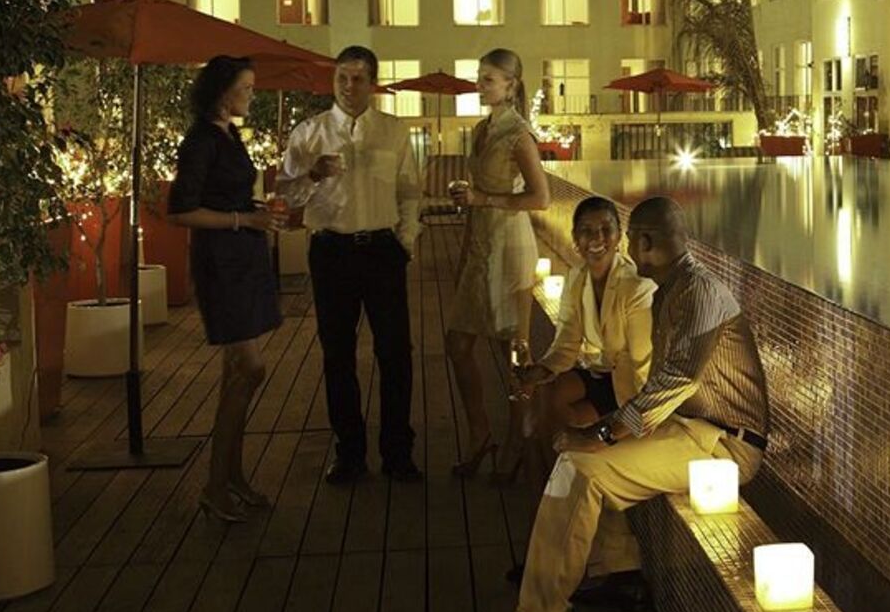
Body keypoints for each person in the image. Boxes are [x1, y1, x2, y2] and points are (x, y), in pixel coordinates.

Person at [477, 196, 771, 612]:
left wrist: (605, 431)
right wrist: (605, 429)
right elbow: (656, 382)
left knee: (582, 465)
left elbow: (676, 379)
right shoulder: (673, 289)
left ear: (646, 241)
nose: (628, 250)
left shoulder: (698, 292)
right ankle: (609, 576)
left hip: (723, 446)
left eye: (631, 239)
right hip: (688, 428)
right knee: (577, 463)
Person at [277, 46, 424, 484]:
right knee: (338, 354)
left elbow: (410, 190)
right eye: (342, 76)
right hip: (331, 250)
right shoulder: (310, 133)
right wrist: (314, 174)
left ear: (373, 83)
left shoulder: (394, 131)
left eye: (359, 78)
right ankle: (350, 453)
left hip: (382, 249)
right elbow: (286, 196)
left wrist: (406, 241)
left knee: (396, 353)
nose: (349, 85)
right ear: (333, 80)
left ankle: (398, 451)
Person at [167, 56, 283, 522]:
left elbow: (226, 195)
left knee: (236, 372)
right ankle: (216, 484)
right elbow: (180, 211)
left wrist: (255, 211)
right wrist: (243, 219)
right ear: (223, 91)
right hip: (222, 263)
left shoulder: (227, 135)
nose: (251, 96)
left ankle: (230, 477)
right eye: (247, 88)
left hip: (243, 257)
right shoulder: (200, 141)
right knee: (249, 368)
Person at [445, 48, 549, 479]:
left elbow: (540, 199)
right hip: (481, 243)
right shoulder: (482, 129)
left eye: (488, 79)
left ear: (512, 85)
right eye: (479, 77)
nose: (479, 85)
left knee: (516, 349)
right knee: (458, 343)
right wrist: (467, 238)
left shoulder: (518, 134)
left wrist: (482, 199)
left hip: (510, 244)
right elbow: (477, 195)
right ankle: (480, 434)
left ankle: (517, 443)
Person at [513, 196, 655, 480]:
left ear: (619, 237)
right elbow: (566, 343)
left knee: (558, 424)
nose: (597, 238)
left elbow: (643, 366)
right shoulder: (578, 277)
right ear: (575, 239)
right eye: (587, 230)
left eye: (606, 229)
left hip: (631, 388)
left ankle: (551, 480)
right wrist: (540, 370)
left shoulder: (637, 288)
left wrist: (638, 422)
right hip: (602, 373)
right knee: (547, 393)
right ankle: (553, 477)